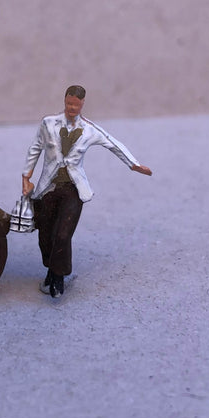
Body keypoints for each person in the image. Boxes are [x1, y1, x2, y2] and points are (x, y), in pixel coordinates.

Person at [22, 85, 152, 297]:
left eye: (76, 104)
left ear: (82, 104)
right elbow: (35, 147)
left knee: (63, 234)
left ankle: (57, 276)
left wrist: (134, 164)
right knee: (45, 234)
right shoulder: (49, 123)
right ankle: (50, 269)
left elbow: (113, 144)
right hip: (48, 188)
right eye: (69, 103)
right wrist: (26, 177)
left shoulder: (90, 130)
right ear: (64, 101)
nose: (72, 107)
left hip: (73, 189)